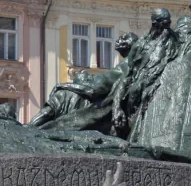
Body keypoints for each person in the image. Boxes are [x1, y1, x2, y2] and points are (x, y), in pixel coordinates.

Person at [29, 32, 139, 129]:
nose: (119, 40)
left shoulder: (128, 63)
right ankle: (32, 127)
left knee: (62, 96)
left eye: (124, 37)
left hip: (99, 99)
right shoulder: (125, 64)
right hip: (98, 94)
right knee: (63, 96)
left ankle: (30, 128)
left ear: (133, 44)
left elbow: (94, 90)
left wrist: (63, 86)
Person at [110, 8, 179, 137]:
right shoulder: (140, 45)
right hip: (135, 97)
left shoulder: (176, 41)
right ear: (154, 24)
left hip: (161, 94)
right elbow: (127, 78)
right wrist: (117, 107)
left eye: (168, 23)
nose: (167, 28)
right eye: (163, 24)